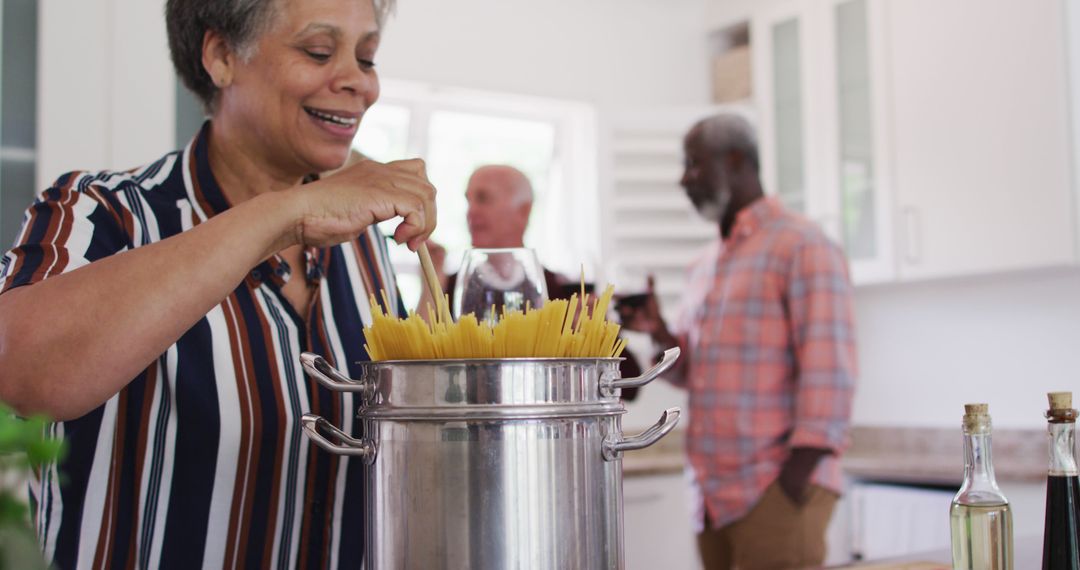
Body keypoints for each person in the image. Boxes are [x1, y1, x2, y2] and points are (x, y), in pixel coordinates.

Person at [0, 0, 435, 567]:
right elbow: (24, 371)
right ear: (222, 56)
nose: (358, 82)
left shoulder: (365, 242)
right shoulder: (104, 210)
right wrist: (290, 213)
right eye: (319, 51)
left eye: (368, 57)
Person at [619, 113, 857, 569]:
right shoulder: (705, 265)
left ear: (733, 161)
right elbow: (697, 373)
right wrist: (661, 332)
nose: (683, 179)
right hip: (711, 496)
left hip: (774, 489)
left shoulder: (802, 245)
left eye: (692, 163)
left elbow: (831, 376)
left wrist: (790, 484)